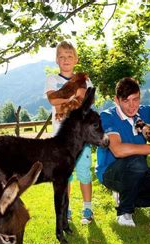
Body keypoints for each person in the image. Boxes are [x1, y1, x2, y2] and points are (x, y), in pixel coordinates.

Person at [95, 77, 150, 227]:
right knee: (137, 161)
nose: (131, 106)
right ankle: (124, 213)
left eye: (135, 99)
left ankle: (127, 196)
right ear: (116, 100)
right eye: (126, 101)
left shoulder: (142, 112)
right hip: (110, 171)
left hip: (137, 171)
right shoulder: (107, 117)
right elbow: (118, 150)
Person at [45, 40, 94, 225]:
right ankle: (66, 209)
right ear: (57, 60)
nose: (66, 60)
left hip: (81, 136)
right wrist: (73, 96)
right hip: (61, 138)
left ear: (76, 59)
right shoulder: (52, 79)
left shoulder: (85, 80)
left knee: (84, 173)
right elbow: (53, 100)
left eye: (69, 56)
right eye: (62, 57)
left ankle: (87, 208)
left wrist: (65, 97)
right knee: (65, 175)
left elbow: (85, 102)